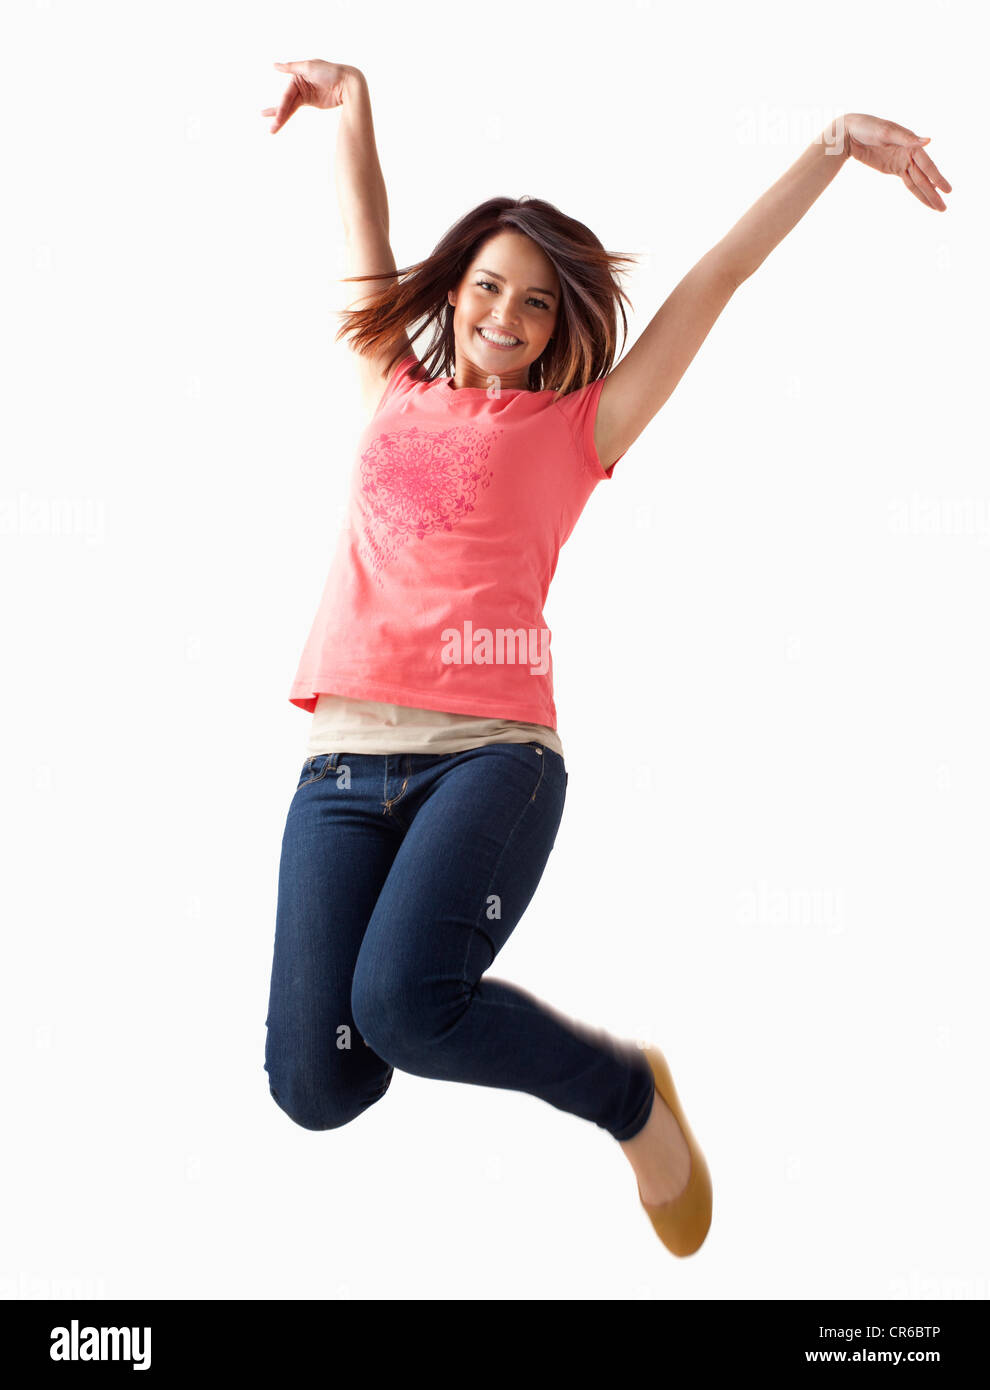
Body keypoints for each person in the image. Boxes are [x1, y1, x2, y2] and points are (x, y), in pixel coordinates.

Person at [260, 60, 951, 1258]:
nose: (504, 316)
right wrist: (356, 95)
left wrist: (833, 147)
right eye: (486, 287)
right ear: (455, 292)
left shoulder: (581, 427)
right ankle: (418, 1016)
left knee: (400, 1007)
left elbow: (714, 280)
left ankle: (629, 1096)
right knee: (316, 1088)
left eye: (532, 302)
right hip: (340, 767)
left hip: (493, 757)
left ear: (559, 320)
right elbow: (363, 220)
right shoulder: (390, 383)